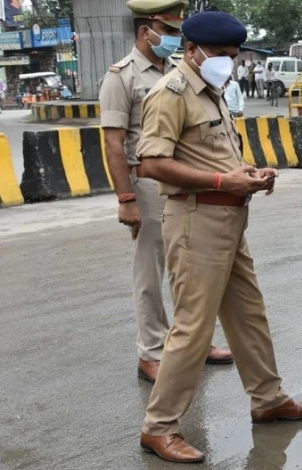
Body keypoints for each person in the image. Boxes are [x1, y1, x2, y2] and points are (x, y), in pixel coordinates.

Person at [136, 11, 302, 462]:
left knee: (249, 316)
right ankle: (158, 427)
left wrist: (248, 174)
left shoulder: (212, 90)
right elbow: (152, 163)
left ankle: (269, 399)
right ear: (193, 50)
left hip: (228, 222)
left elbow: (212, 155)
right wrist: (223, 184)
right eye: (221, 55)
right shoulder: (171, 93)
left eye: (234, 56)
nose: (229, 63)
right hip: (196, 220)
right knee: (193, 329)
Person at [98, 0, 233, 385]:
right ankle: (152, 351)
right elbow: (114, 144)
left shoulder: (177, 72)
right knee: (150, 270)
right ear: (147, 31)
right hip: (147, 183)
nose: (176, 40)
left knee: (188, 267)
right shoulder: (120, 78)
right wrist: (126, 199)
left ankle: (193, 343)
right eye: (171, 32)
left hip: (183, 178)